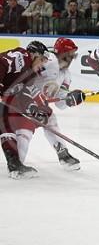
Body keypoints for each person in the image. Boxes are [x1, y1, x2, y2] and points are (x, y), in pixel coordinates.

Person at [16, 37, 85, 172]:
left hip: (39, 106)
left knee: (51, 120)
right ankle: (16, 162)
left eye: (72, 55)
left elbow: (60, 103)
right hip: (24, 100)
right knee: (26, 130)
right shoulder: (49, 60)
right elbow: (27, 76)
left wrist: (70, 99)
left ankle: (63, 154)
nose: (71, 58)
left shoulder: (66, 75)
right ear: (62, 53)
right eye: (69, 55)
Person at [0, 40, 51, 179]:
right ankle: (14, 164)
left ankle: (14, 164)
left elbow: (23, 93)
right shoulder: (21, 56)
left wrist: (32, 107)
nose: (42, 64)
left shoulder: (31, 73)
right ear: (33, 54)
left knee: (5, 122)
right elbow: (2, 63)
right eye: (42, 59)